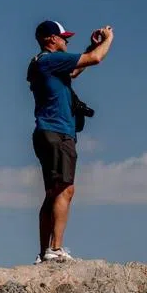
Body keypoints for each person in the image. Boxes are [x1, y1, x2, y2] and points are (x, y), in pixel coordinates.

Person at [28, 20, 115, 263]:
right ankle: (55, 249)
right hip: (58, 132)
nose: (67, 41)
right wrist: (107, 40)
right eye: (63, 37)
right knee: (65, 188)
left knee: (53, 191)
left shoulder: (44, 63)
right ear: (51, 39)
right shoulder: (49, 60)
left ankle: (46, 251)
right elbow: (95, 59)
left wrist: (90, 45)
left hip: (48, 132)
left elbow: (75, 69)